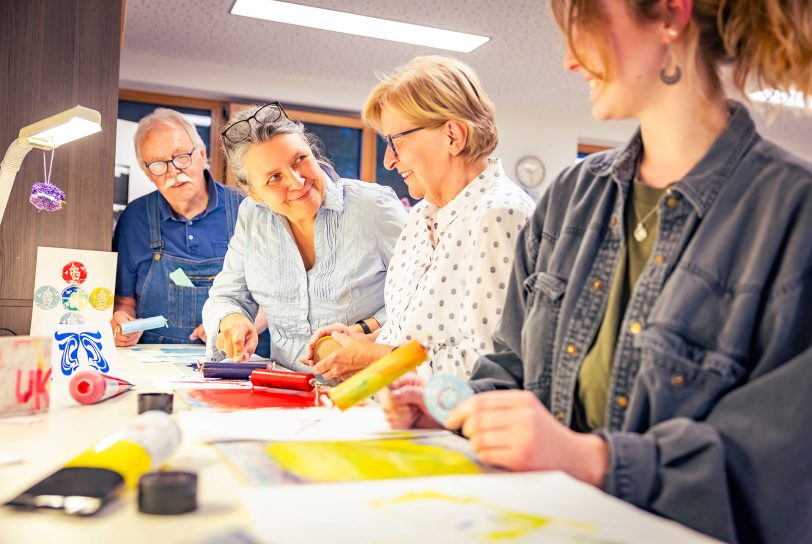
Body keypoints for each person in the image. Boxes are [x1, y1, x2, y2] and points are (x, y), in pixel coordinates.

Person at [382, 1, 812, 542]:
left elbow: (779, 469)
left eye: (581, 27)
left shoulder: (793, 214)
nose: (567, 60)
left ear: (670, 16)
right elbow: (511, 367)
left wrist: (592, 459)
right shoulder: (569, 198)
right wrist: (456, 409)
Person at [305, 56, 534, 382]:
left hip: (452, 429)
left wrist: (377, 360)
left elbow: (494, 367)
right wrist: (366, 341)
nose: (388, 160)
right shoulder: (420, 217)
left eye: (395, 142)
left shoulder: (499, 215)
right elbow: (418, 333)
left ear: (453, 136)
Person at [202, 102, 407, 369]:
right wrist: (232, 319)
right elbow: (226, 295)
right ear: (253, 192)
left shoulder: (374, 206)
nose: (297, 182)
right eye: (274, 177)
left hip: (369, 389)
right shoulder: (252, 215)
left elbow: (425, 299)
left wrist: (366, 328)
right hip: (285, 390)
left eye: (300, 159)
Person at [111, 108, 248, 346]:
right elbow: (125, 302)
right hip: (155, 363)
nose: (174, 171)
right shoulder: (134, 220)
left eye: (181, 156)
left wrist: (239, 327)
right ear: (147, 173)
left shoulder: (245, 211)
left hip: (234, 359)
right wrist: (123, 324)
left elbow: (274, 301)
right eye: (157, 164)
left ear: (201, 153)